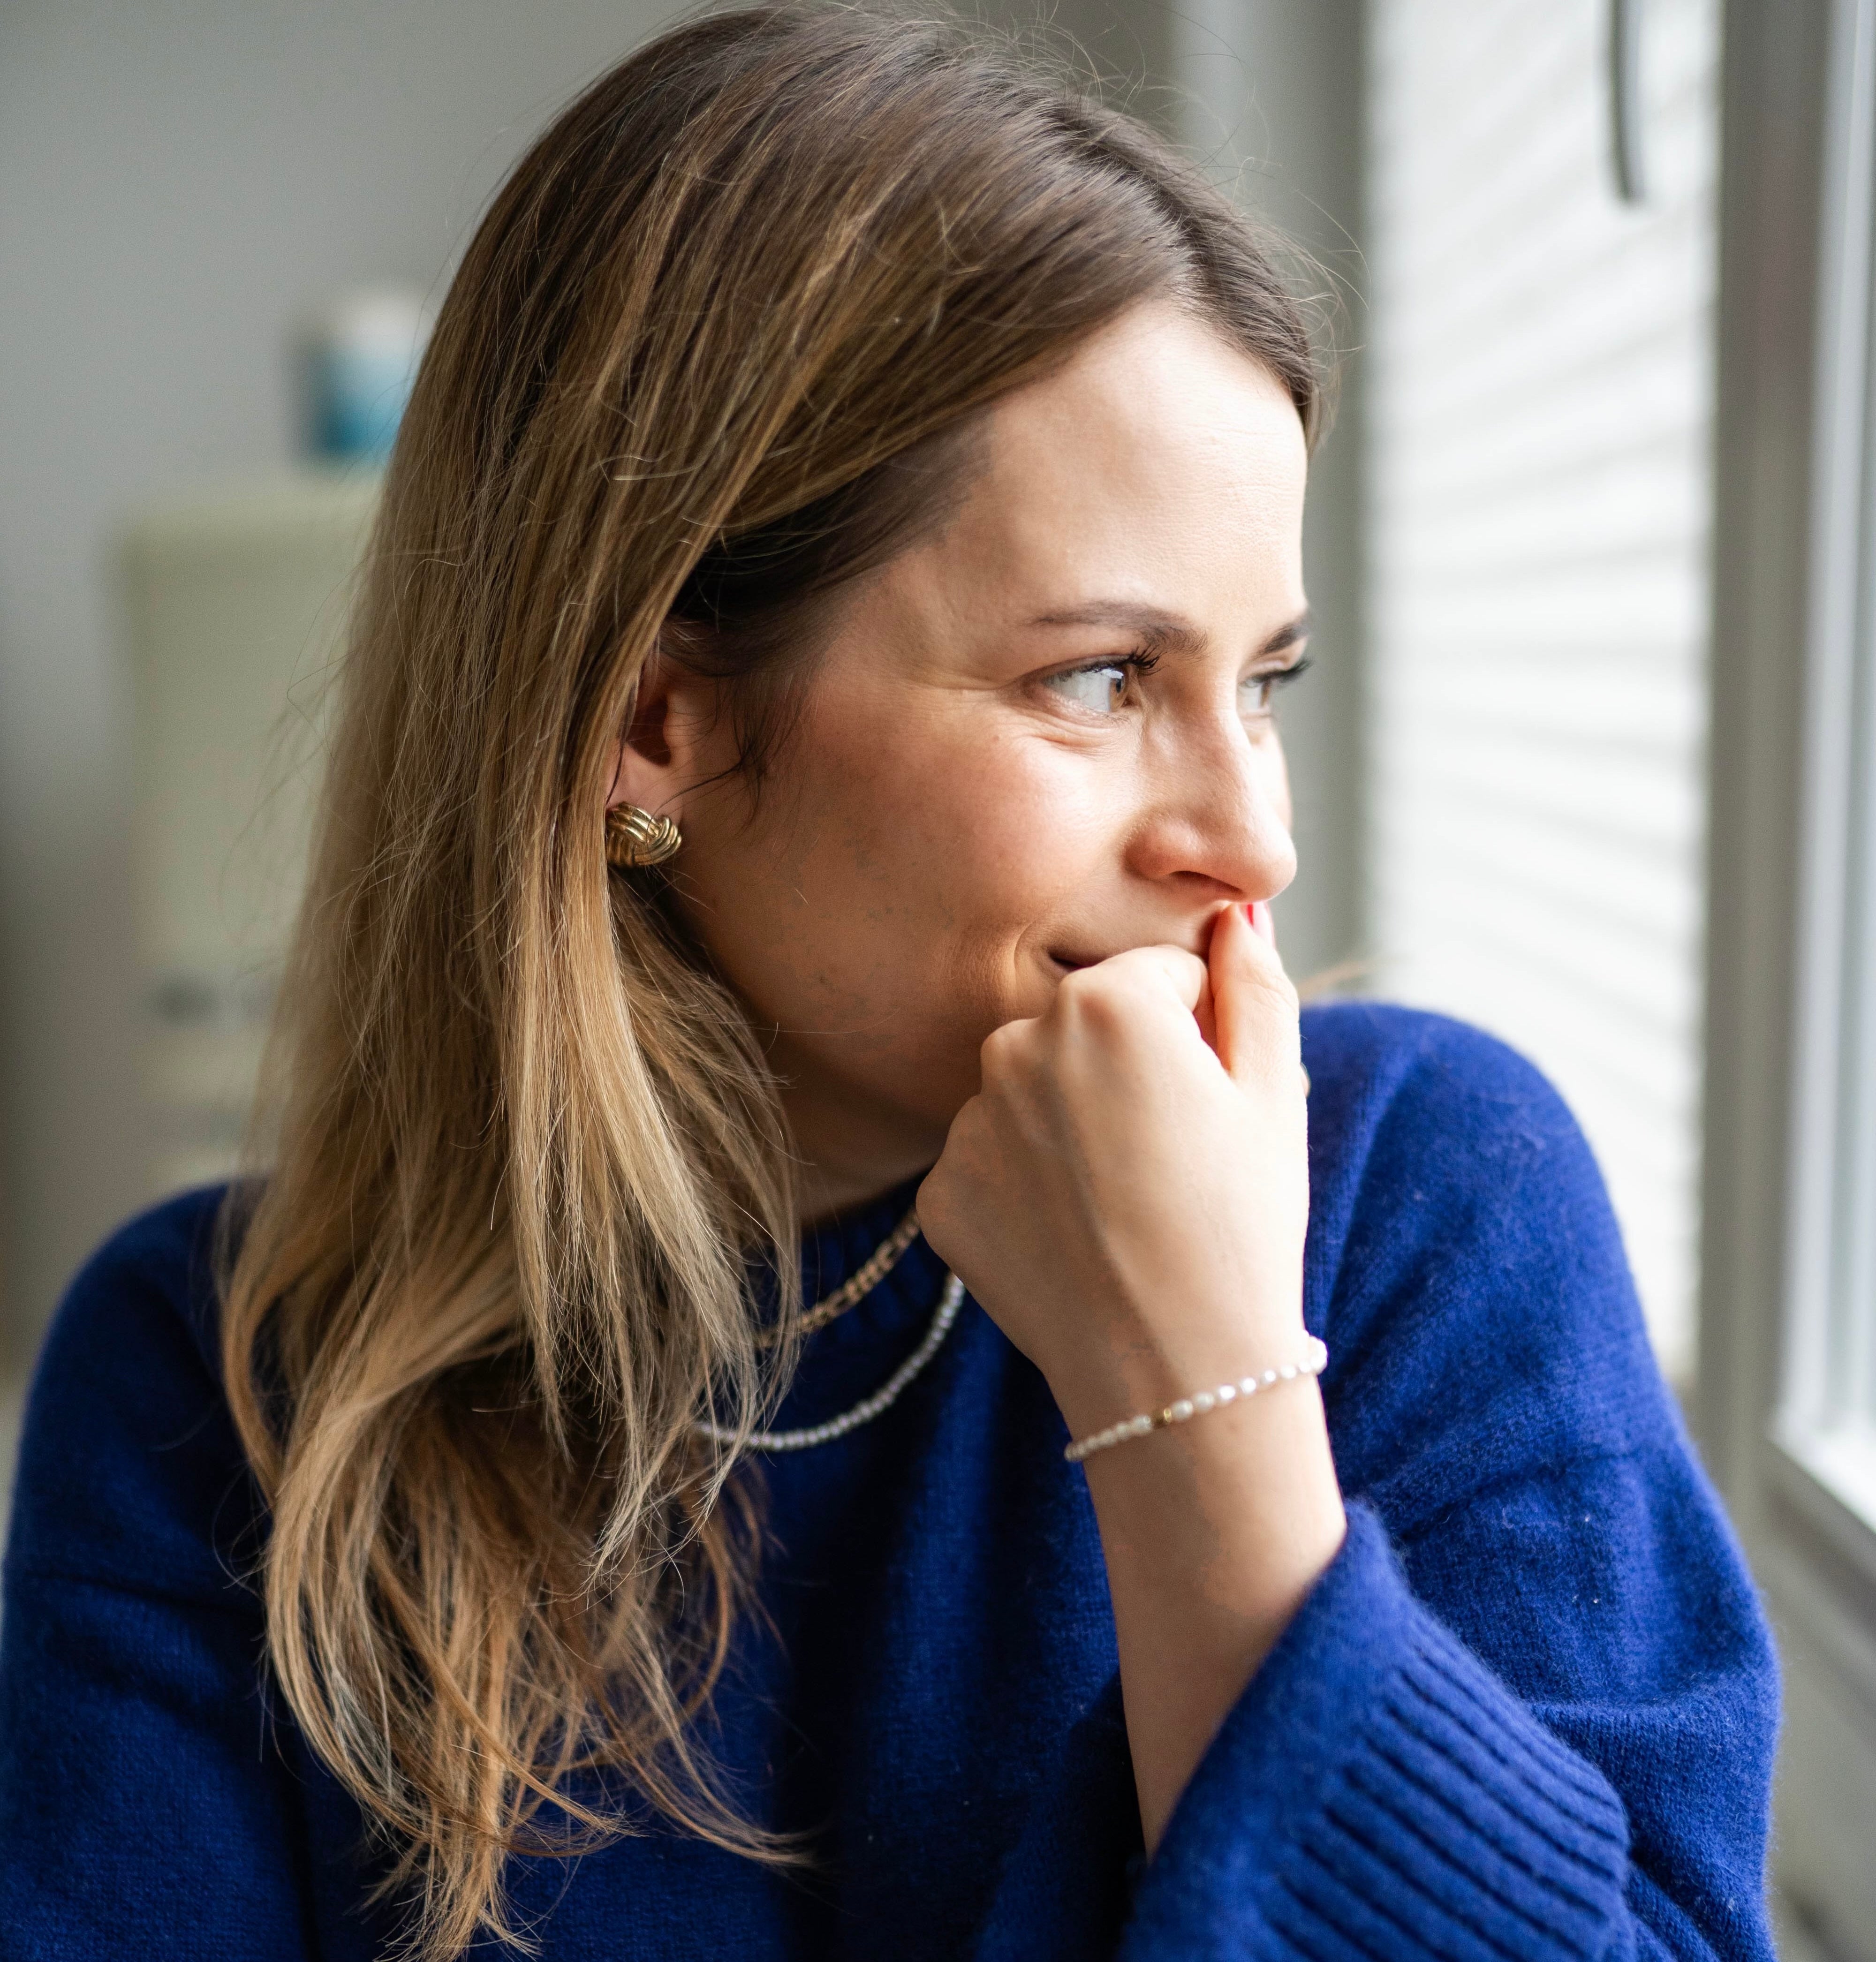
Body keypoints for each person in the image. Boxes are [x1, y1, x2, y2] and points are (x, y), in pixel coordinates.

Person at [0, 8, 1777, 1958]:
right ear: (656, 721)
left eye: (1260, 680)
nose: (1250, 841)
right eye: (1098, 678)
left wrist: (1200, 1402)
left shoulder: (1418, 1195)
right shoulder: (217, 1382)